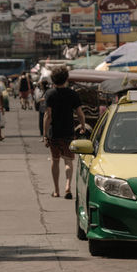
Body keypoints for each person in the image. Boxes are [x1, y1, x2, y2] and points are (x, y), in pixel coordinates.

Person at [42, 66, 87, 198]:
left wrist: (45, 134)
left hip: (54, 132)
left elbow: (47, 116)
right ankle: (68, 186)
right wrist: (83, 125)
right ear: (66, 78)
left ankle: (56, 190)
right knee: (68, 161)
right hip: (68, 132)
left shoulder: (49, 94)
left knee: (55, 160)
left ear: (53, 79)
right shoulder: (73, 94)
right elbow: (80, 113)